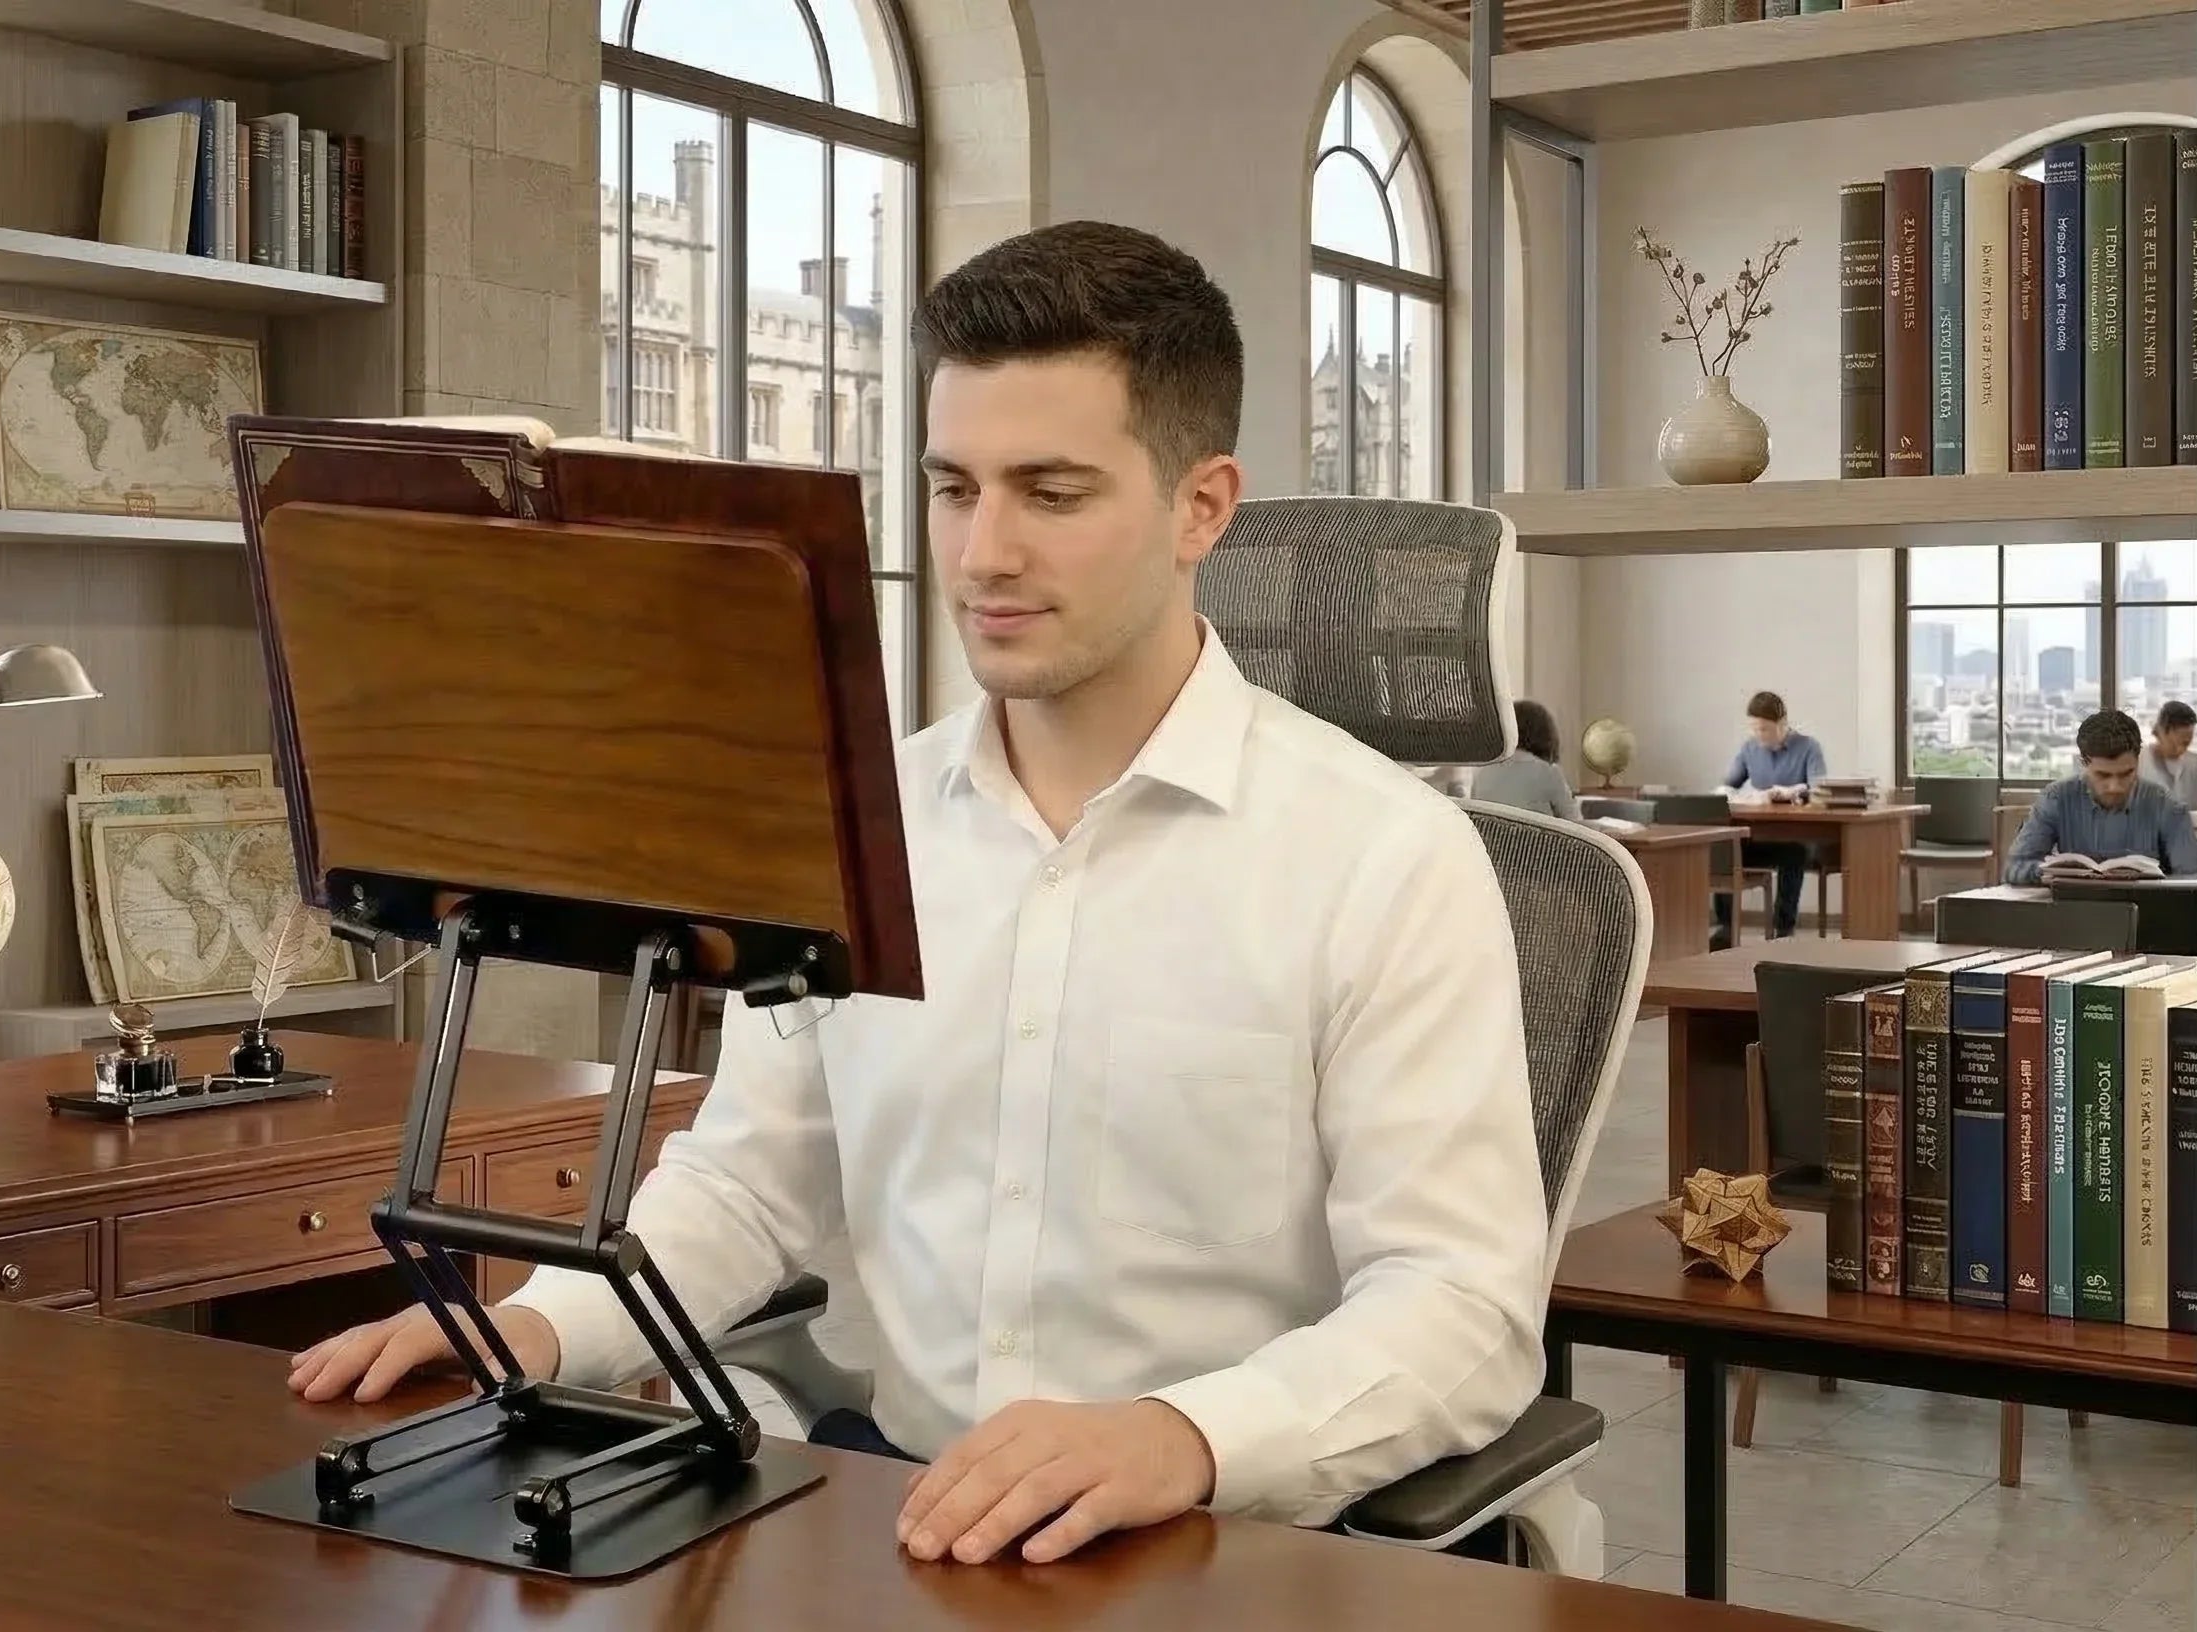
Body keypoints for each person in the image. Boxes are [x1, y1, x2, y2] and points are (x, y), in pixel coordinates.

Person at [287, 221, 1548, 1564]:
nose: (984, 554)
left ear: (1202, 507)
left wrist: (1180, 1435)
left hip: (1239, 1545)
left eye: (1051, 493)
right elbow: (747, 1188)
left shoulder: (1385, 857)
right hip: (918, 1524)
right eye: (954, 489)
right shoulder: (845, 823)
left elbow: (1461, 1308)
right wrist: (536, 1327)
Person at [2006, 709, 2197, 883]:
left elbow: (2193, 878)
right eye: (2103, 775)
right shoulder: (2056, 798)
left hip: (2145, 914)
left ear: (2138, 759)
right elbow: (2015, 868)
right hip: (2074, 912)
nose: (2114, 787)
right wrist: (2056, 874)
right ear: (2083, 763)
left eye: (2126, 773)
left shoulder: (2167, 806)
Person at [1719, 690, 1828, 937]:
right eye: (1755, 729)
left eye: (1765, 729)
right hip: (1760, 832)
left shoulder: (1808, 747)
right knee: (1724, 846)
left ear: (1783, 724)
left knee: (1794, 854)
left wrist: (1791, 791)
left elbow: (1819, 790)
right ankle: (1726, 927)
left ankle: (1784, 927)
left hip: (1797, 834)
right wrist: (1730, 794)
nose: (1759, 735)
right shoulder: (1749, 748)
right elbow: (1728, 786)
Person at [1471, 700, 1579, 820]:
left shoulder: (1482, 773)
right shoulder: (1547, 773)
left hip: (1492, 838)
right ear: (1545, 734)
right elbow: (1575, 824)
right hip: (1537, 838)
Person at [2140, 700, 2197, 808]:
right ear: (2161, 732)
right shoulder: (2139, 764)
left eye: (2186, 743)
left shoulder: (2196, 765)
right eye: (2174, 744)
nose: (2180, 750)